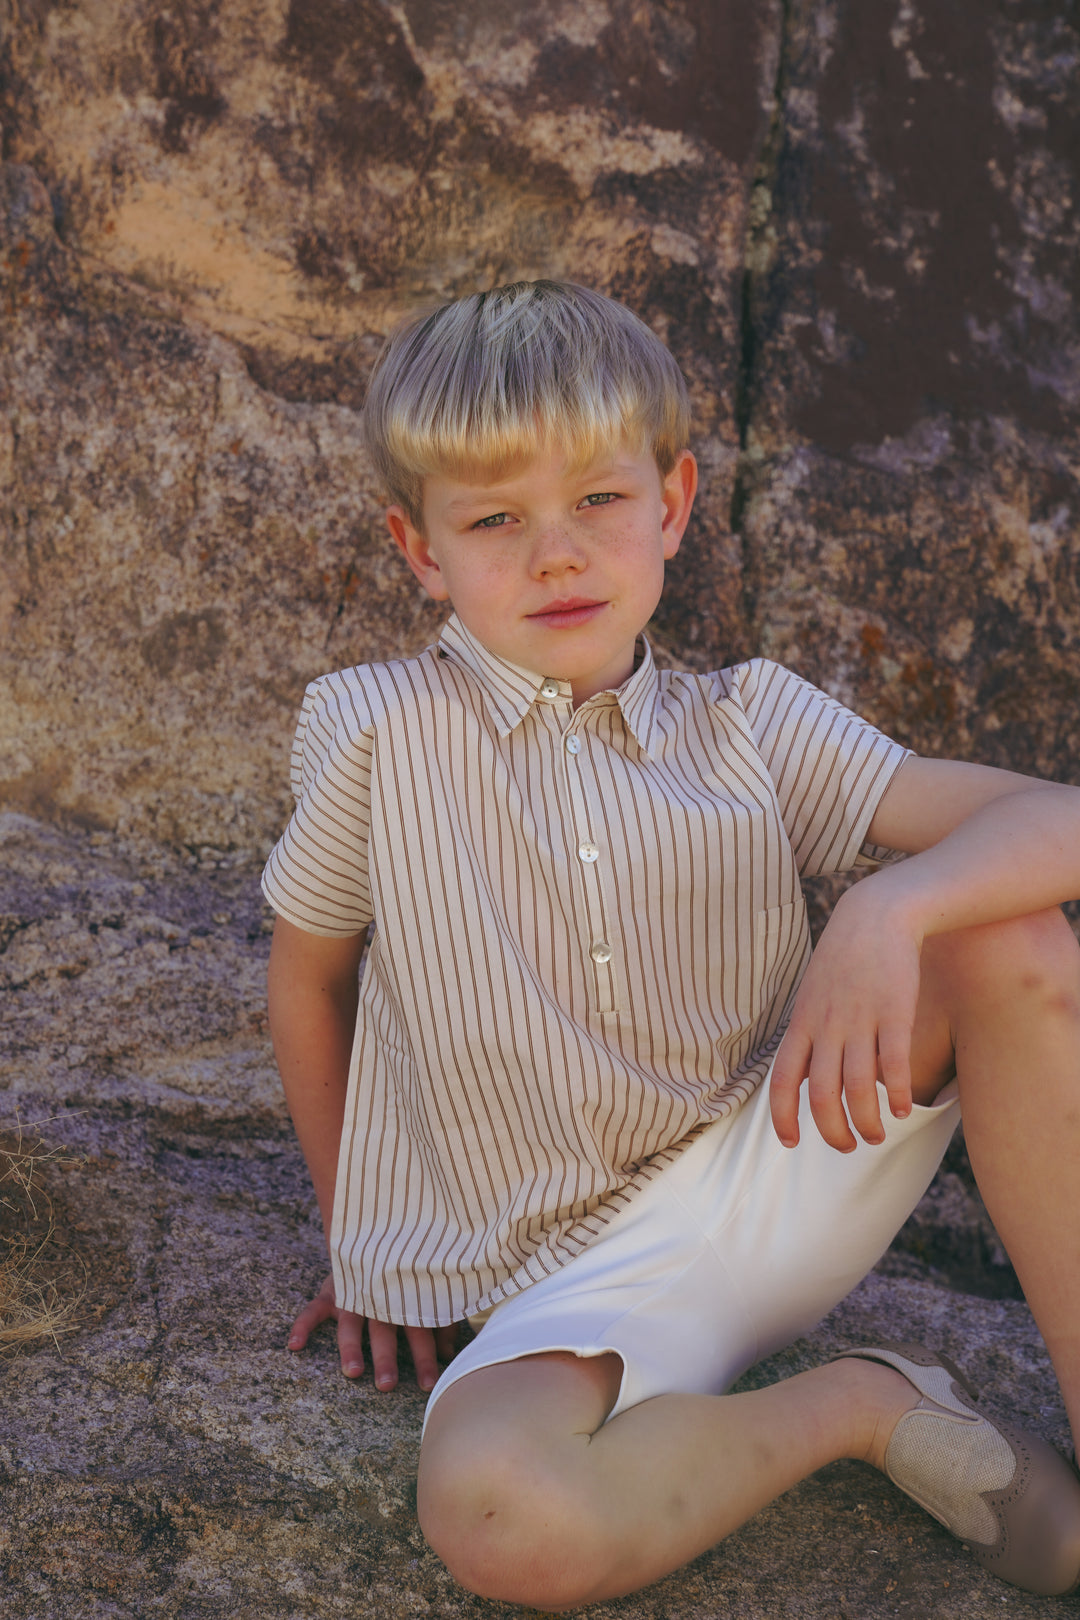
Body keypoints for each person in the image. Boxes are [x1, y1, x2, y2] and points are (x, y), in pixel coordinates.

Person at [262, 279, 1080, 1607]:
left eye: (599, 500)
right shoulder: (373, 731)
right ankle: (859, 1409)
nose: (557, 555)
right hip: (560, 1282)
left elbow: (1055, 822)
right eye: (495, 521)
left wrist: (889, 903)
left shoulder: (752, 723)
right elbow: (308, 978)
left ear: (676, 503)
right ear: (421, 551)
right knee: (500, 1512)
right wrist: (368, 1246)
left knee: (1006, 926)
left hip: (787, 1152)